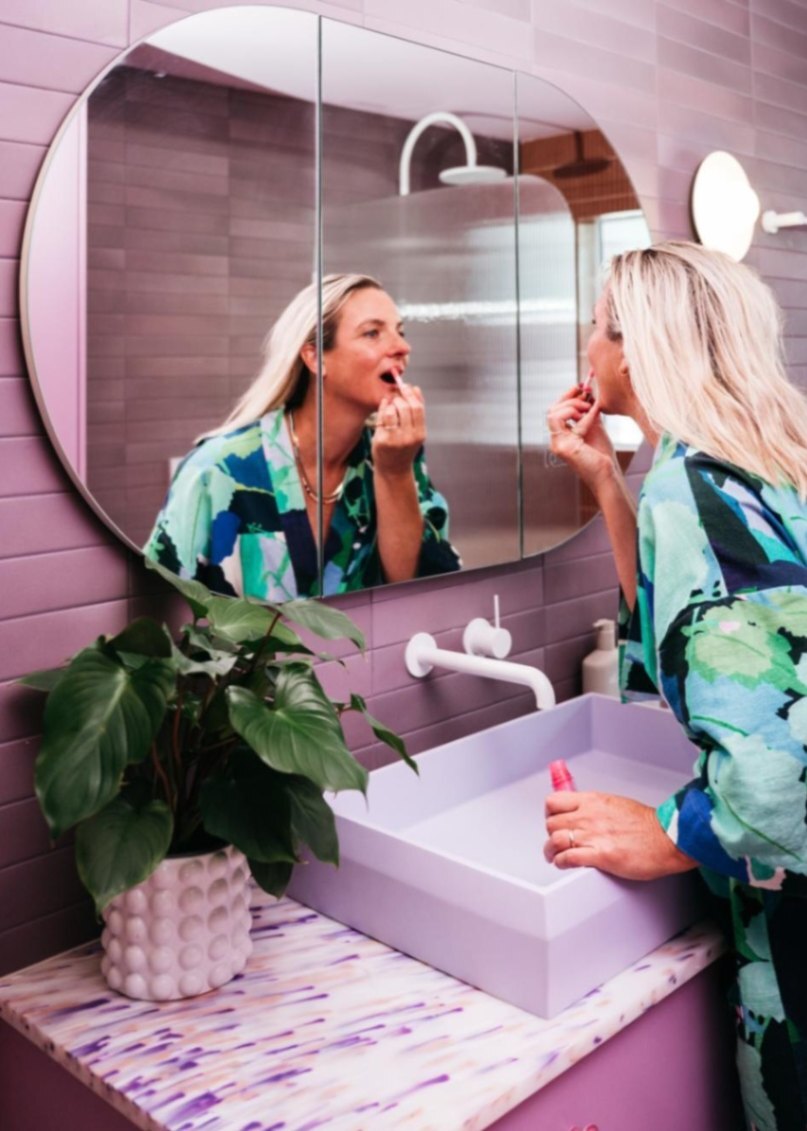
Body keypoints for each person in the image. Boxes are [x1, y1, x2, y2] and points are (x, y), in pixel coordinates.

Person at [542, 241, 807, 1131]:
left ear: (631, 346)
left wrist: (671, 830)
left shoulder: (692, 487)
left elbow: (772, 788)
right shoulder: (767, 461)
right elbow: (693, 628)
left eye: (595, 323)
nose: (587, 342)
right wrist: (604, 483)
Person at [145, 274, 461, 600]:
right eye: (372, 333)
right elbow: (159, 612)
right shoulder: (218, 470)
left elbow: (419, 593)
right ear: (315, 357)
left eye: (400, 331)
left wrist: (395, 472)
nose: (402, 347)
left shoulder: (396, 455)